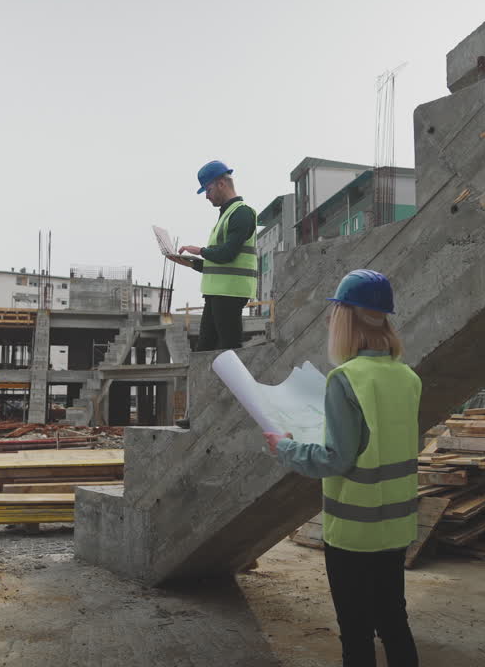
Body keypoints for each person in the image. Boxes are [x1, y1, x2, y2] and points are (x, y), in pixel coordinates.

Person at [264, 269, 422, 667]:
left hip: (354, 533)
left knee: (355, 632)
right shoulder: (407, 377)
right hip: (397, 525)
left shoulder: (345, 379)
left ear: (345, 319)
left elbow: (337, 458)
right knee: (393, 620)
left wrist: (286, 449)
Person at [166, 160, 258, 352]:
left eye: (207, 190)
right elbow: (218, 264)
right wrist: (189, 263)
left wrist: (199, 250)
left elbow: (227, 254)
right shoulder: (226, 215)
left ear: (221, 184)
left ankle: (232, 383)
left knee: (229, 348)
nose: (206, 197)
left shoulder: (241, 213)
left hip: (230, 292)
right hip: (219, 292)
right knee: (206, 348)